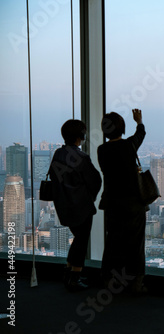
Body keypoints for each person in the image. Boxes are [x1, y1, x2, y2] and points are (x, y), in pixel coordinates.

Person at [97, 109, 147, 293]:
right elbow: (140, 134)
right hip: (133, 204)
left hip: (112, 204)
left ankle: (110, 281)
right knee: (136, 244)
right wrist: (139, 121)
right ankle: (136, 284)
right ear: (122, 128)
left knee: (113, 243)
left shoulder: (102, 150)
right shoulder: (129, 146)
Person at [50, 119, 102, 291]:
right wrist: (89, 197)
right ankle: (74, 277)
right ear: (81, 136)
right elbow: (95, 181)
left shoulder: (58, 153)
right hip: (81, 206)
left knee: (78, 239)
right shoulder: (81, 158)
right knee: (82, 240)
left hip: (63, 205)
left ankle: (69, 271)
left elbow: (54, 177)